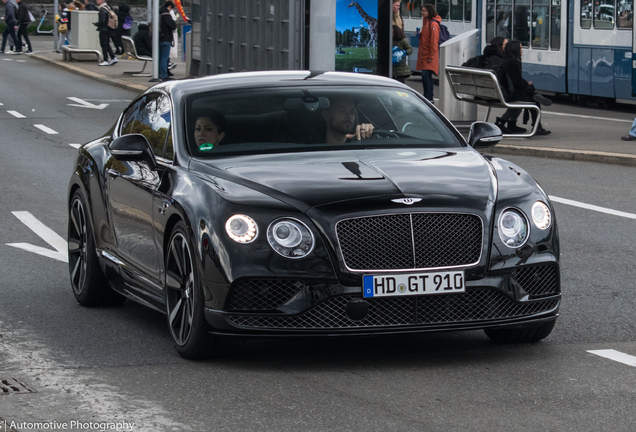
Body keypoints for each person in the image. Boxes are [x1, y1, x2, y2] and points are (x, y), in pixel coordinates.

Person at [496, 40, 551, 135]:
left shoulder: (506, 60)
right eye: (520, 48)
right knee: (534, 101)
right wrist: (528, 86)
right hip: (509, 94)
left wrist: (526, 85)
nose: (522, 50)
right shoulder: (512, 62)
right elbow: (518, 81)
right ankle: (537, 127)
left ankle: (506, 123)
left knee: (527, 96)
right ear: (515, 49)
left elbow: (515, 79)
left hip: (503, 92)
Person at [416, 4, 441, 104]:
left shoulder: (433, 24)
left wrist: (431, 55)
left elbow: (434, 41)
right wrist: (420, 35)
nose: (422, 12)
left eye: (424, 11)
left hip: (429, 55)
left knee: (425, 75)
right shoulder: (426, 22)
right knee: (427, 75)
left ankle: (428, 96)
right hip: (426, 54)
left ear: (429, 12)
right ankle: (428, 96)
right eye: (422, 10)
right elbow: (426, 38)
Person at [157, 1, 176, 81]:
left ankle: (158, 74)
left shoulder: (158, 14)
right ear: (169, 7)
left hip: (159, 39)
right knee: (165, 58)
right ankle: (164, 75)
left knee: (160, 57)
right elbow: (173, 26)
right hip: (166, 38)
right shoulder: (166, 15)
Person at [95, 0, 118, 66]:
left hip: (104, 29)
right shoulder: (108, 7)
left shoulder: (102, 9)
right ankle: (113, 57)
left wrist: (97, 24)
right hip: (109, 29)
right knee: (107, 44)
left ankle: (105, 60)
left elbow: (102, 21)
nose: (96, 0)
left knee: (103, 45)